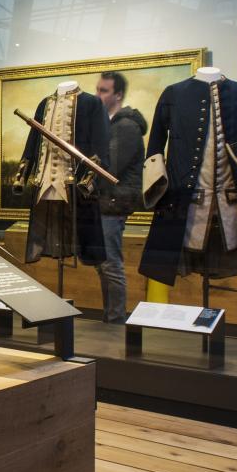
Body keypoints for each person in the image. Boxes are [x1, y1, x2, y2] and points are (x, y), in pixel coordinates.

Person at [94, 71, 147, 323]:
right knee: (103, 264)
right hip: (104, 202)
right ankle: (110, 317)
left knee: (111, 264)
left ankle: (115, 319)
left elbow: (109, 167)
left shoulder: (125, 127)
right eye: (98, 89)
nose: (98, 95)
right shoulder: (108, 124)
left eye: (103, 90)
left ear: (118, 94)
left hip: (113, 203)